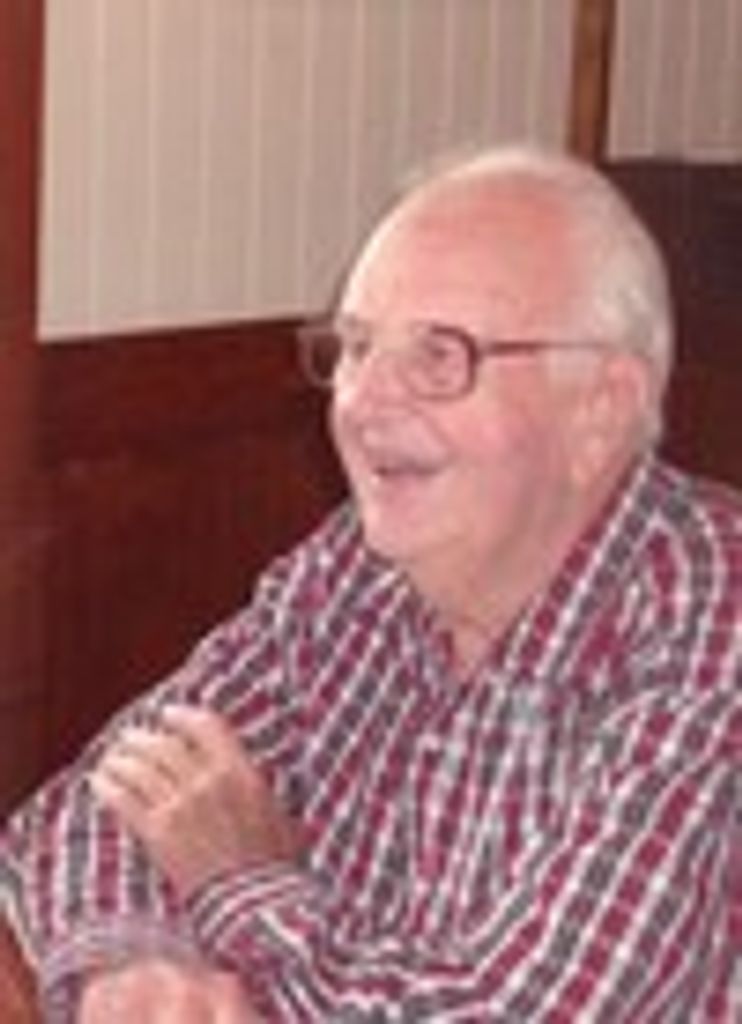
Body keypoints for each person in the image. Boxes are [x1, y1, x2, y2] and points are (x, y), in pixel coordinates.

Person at [2, 144, 741, 1022]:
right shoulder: (359, 567)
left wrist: (239, 884)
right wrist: (132, 962)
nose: (362, 402)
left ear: (601, 408)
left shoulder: (712, 621)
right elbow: (97, 803)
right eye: (355, 346)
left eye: (440, 355)